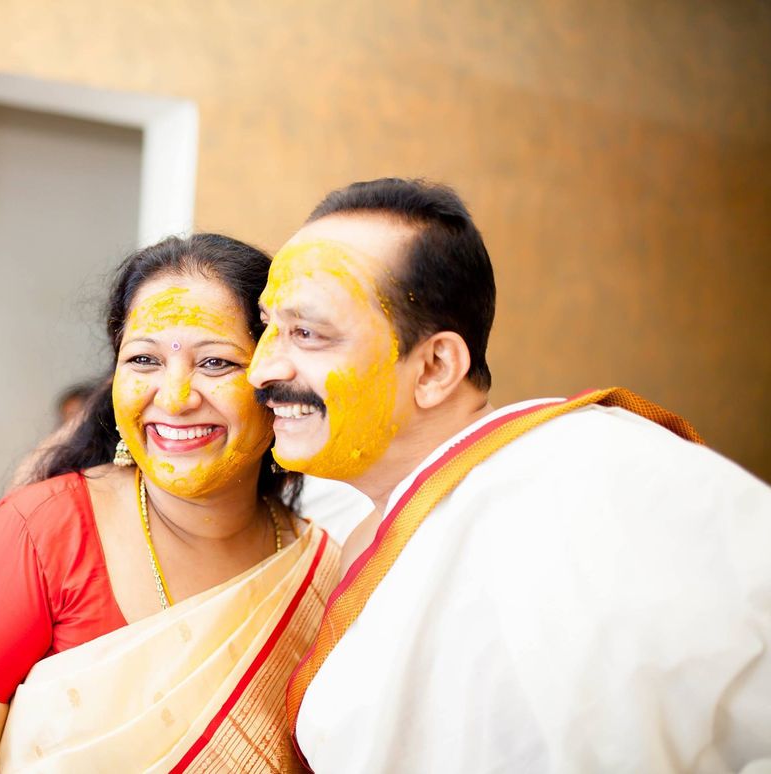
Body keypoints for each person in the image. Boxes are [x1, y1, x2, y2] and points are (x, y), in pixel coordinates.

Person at [247, 178, 771, 773]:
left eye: (308, 334)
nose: (261, 370)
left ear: (435, 367)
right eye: (268, 328)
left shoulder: (587, 477)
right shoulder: (357, 519)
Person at [0, 234, 340, 773]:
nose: (174, 398)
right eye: (144, 359)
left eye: (216, 362)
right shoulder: (40, 535)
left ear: (275, 380)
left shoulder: (323, 571)